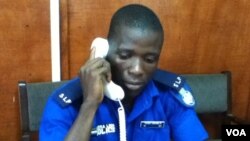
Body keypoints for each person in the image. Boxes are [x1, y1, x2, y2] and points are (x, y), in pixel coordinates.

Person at [39, 4, 208, 141]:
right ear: (104, 51)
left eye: (149, 59)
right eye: (125, 56)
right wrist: (90, 104)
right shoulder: (66, 103)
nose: (137, 70)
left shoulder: (169, 95)